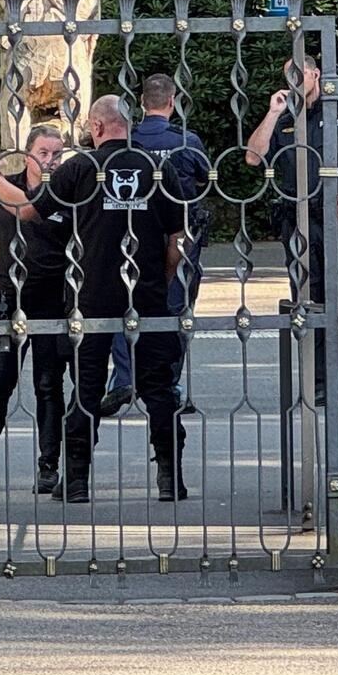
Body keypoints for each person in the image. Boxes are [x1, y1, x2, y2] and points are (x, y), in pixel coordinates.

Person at [0, 96, 188, 502]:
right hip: (146, 291)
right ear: (128, 125)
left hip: (93, 294)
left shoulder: (82, 168)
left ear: (97, 128)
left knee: (86, 388)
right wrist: (162, 279)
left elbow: (29, 212)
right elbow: (177, 237)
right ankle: (171, 478)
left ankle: (77, 481)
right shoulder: (157, 167)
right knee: (158, 387)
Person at [246, 56, 338, 410]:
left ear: (315, 74)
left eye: (298, 73)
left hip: (337, 221)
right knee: (310, 301)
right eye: (287, 75)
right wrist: (274, 112)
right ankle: (323, 385)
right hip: (298, 224)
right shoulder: (286, 119)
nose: (293, 80)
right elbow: (252, 156)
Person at [102, 74, 210, 417]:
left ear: (141, 101)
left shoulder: (129, 140)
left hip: (134, 235)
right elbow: (205, 180)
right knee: (175, 310)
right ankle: (168, 382)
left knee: (125, 304)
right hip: (181, 235)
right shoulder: (187, 141)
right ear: (173, 100)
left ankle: (123, 379)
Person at [0, 124, 70, 495]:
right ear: (28, 153)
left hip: (52, 294)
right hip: (10, 294)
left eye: (57, 153)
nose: (50, 160)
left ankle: (48, 465)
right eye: (44, 153)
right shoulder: (7, 184)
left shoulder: (67, 190)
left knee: (49, 384)